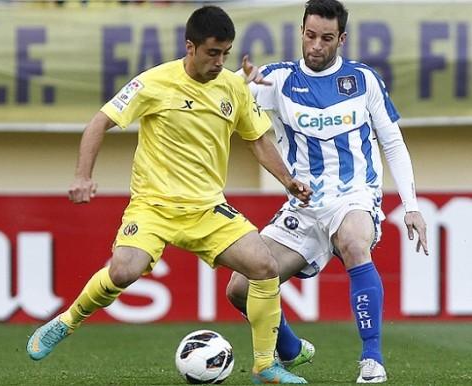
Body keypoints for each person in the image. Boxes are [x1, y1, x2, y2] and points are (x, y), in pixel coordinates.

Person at [27, 5, 313, 384]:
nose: (219, 61)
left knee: (263, 267)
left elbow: (258, 140)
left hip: (208, 208)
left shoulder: (232, 87)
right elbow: (99, 123)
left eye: (225, 53)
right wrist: (83, 176)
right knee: (123, 271)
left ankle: (265, 366)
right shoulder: (154, 83)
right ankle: (67, 322)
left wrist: (288, 180)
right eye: (212, 52)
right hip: (153, 207)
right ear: (190, 46)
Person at [227, 0, 429, 383]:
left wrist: (412, 206)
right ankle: (289, 348)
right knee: (240, 288)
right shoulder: (276, 79)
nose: (316, 45)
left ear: (342, 39)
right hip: (303, 207)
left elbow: (392, 142)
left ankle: (372, 359)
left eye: (326, 38)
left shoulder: (363, 79)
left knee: (355, 241)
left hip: (354, 196)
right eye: (310, 36)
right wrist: (237, 84)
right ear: (301, 33)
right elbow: (220, 102)